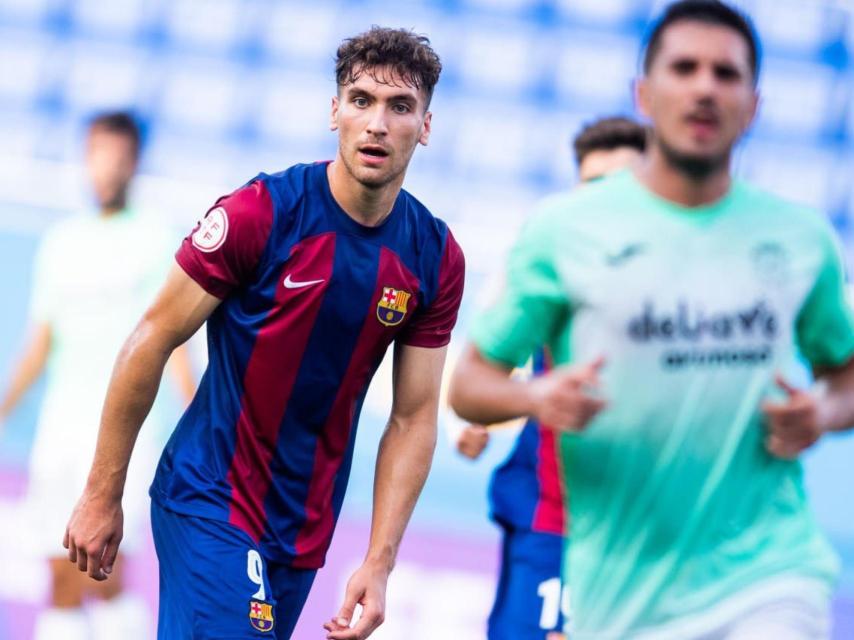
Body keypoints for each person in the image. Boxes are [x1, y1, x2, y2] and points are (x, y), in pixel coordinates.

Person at [450, 1, 854, 638]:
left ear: (755, 104)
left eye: (726, 74)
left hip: (769, 575)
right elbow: (468, 385)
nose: (704, 87)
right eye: (684, 67)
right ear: (645, 92)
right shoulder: (564, 233)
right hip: (619, 592)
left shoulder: (801, 240)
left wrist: (823, 413)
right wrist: (535, 395)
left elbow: (845, 372)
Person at [63, 27, 464, 640]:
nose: (377, 124)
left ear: (426, 126)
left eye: (399, 106)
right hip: (209, 496)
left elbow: (412, 418)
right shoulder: (263, 212)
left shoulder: (433, 258)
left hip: (302, 531)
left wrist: (379, 562)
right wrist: (101, 492)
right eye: (360, 100)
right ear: (335, 113)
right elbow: (153, 335)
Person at [0, 111, 196, 640]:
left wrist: (200, 423)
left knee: (104, 575)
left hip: (125, 438)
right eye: (95, 154)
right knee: (58, 578)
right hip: (59, 433)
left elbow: (173, 344)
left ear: (133, 163)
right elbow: (39, 347)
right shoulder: (62, 241)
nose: (103, 168)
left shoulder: (157, 241)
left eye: (114, 156)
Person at [453, 117, 646, 640]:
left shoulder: (680, 280)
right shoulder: (548, 263)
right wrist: (483, 424)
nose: (604, 198)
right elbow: (492, 365)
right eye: (593, 183)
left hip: (643, 537)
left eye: (620, 183)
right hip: (552, 523)